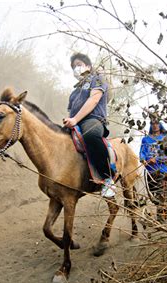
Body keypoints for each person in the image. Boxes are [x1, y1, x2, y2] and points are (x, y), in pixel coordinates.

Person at [63, 53, 115, 198]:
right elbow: (70, 111)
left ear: (88, 66)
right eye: (73, 67)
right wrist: (69, 120)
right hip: (75, 122)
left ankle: (107, 178)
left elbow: (93, 100)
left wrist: (75, 119)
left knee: (90, 135)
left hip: (93, 120)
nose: (76, 69)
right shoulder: (74, 92)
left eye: (79, 65)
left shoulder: (97, 79)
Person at [139, 119, 167, 221]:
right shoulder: (146, 139)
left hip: (162, 171)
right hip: (150, 172)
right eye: (152, 123)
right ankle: (162, 212)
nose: (155, 125)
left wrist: (157, 159)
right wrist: (143, 159)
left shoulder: (166, 139)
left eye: (157, 123)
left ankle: (161, 220)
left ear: (160, 124)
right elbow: (142, 152)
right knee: (153, 195)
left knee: (161, 194)